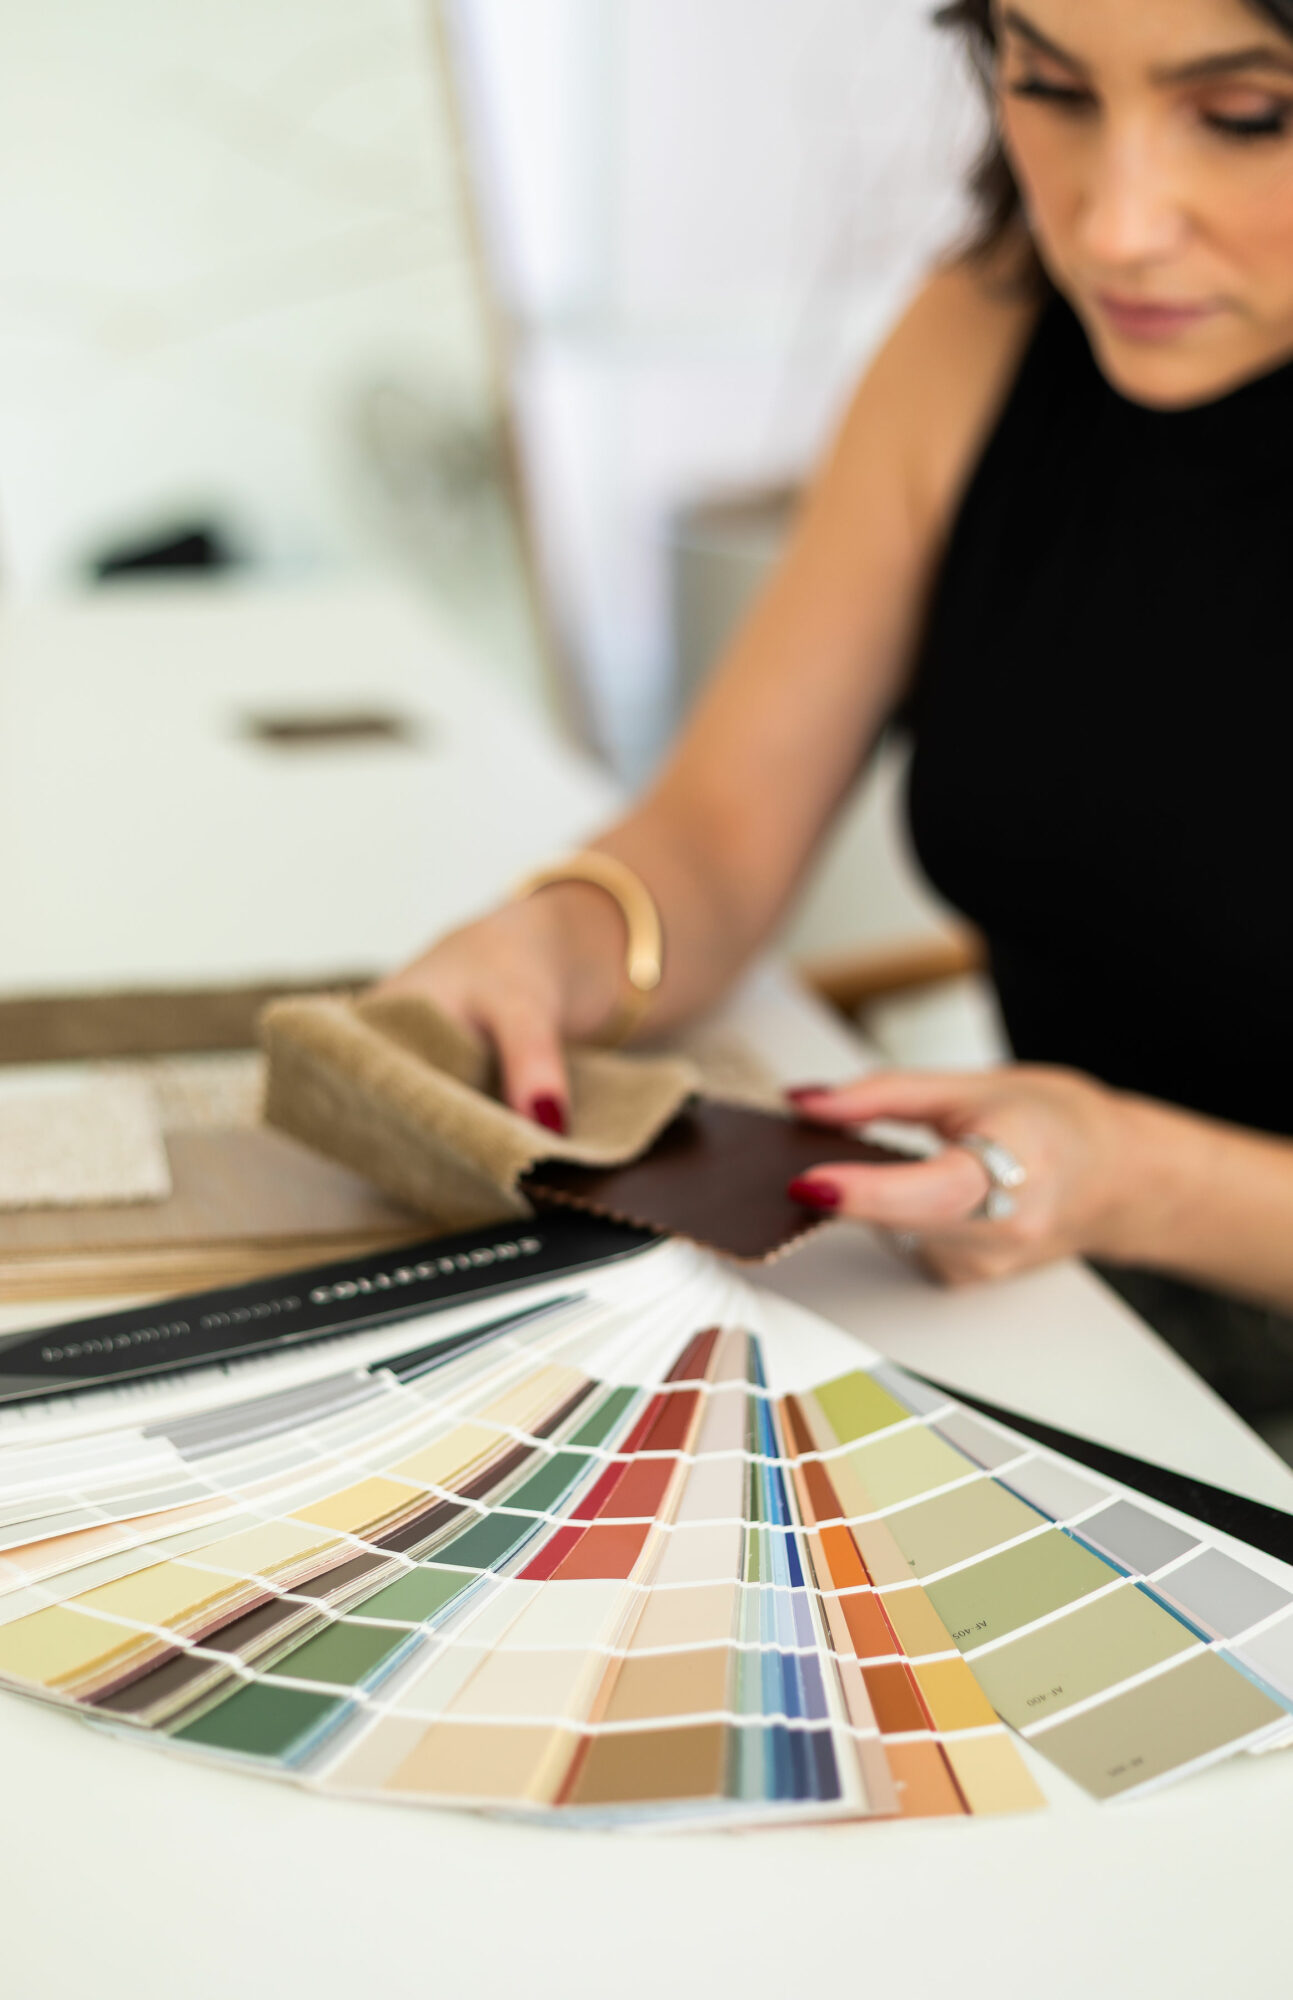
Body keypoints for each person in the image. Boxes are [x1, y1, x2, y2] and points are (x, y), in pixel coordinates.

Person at [383, 0, 1293, 1423]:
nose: (1115, 227)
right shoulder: (985, 330)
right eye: (1051, 88)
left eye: (1246, 117)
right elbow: (720, 832)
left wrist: (1131, 1179)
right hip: (1083, 1316)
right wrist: (562, 936)